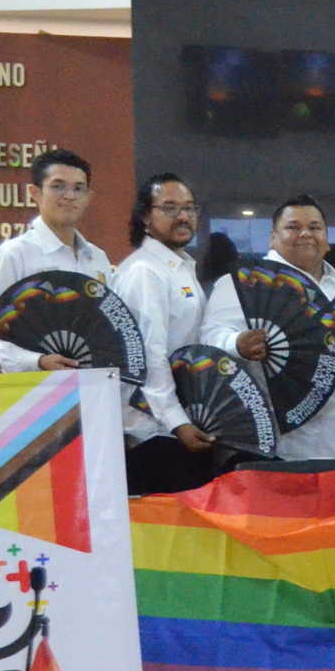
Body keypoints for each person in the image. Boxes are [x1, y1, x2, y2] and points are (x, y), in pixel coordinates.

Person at [201, 195, 335, 463]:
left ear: (326, 237)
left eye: (315, 227)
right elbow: (210, 340)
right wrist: (237, 344)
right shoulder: (243, 284)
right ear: (272, 237)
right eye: (293, 227)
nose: (305, 234)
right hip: (276, 448)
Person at [110, 172, 221, 494]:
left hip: (179, 424)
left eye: (189, 208)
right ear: (146, 216)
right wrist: (177, 422)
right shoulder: (145, 271)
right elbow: (148, 354)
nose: (183, 216)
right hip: (152, 432)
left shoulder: (178, 267)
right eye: (170, 208)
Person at [0, 149, 114, 373]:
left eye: (79, 188)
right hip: (36, 394)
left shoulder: (97, 258)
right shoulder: (14, 255)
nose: (69, 196)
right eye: (58, 186)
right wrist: (35, 361)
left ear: (88, 197)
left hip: (94, 386)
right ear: (35, 192)